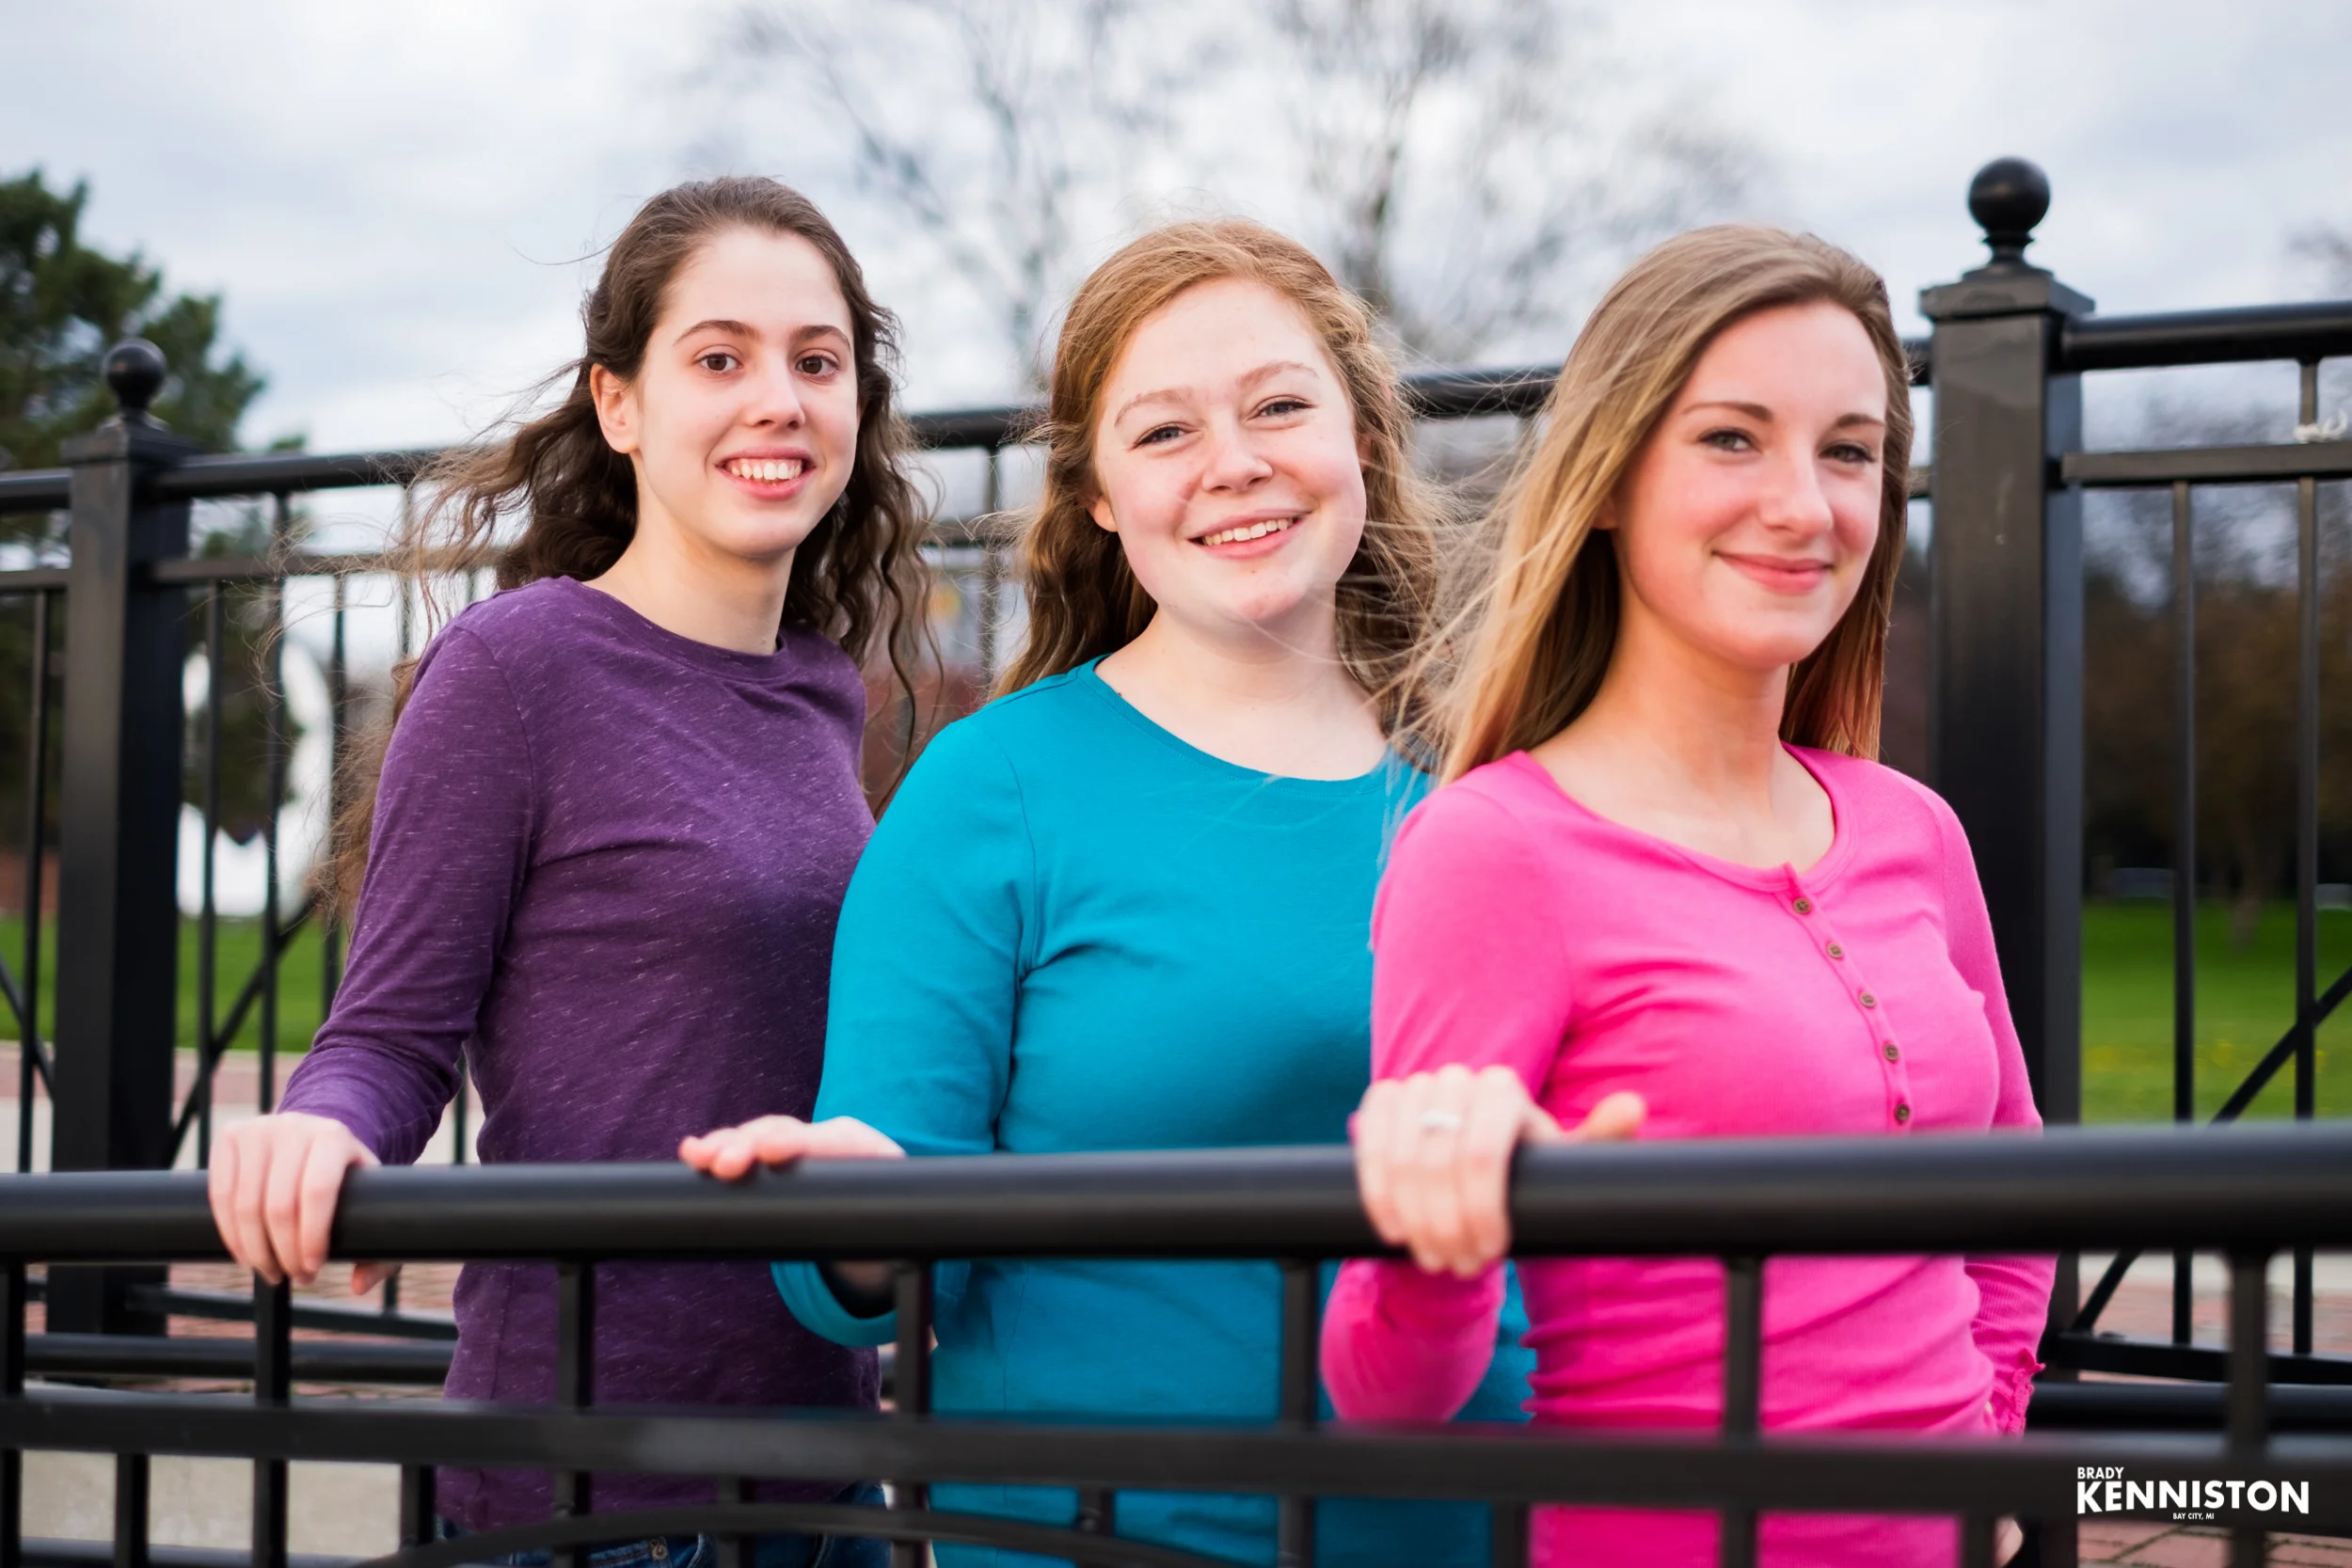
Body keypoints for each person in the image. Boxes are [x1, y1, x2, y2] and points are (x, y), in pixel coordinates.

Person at [681, 218, 1533, 1568]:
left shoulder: (1499, 779)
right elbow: (865, 1283)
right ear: (1096, 494)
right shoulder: (994, 791)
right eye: (1165, 431)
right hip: (1108, 1537)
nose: (1234, 463)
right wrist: (855, 1207)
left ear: (1365, 439)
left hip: (1482, 1531)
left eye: (1279, 407)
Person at [204, 176, 934, 1568]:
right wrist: (322, 1131)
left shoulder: (822, 689)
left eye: (816, 361)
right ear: (620, 404)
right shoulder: (517, 669)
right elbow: (388, 1035)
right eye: (718, 359)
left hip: (823, 1468)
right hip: (588, 1489)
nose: (777, 400)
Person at [1318, 226, 2050, 1568]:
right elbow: (1385, 1390)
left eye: (1848, 451)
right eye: (1731, 439)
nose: (1803, 504)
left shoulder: (1914, 829)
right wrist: (1439, 1237)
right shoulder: (1490, 850)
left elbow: (2017, 1195)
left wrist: (1987, 1467)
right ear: (1607, 480)